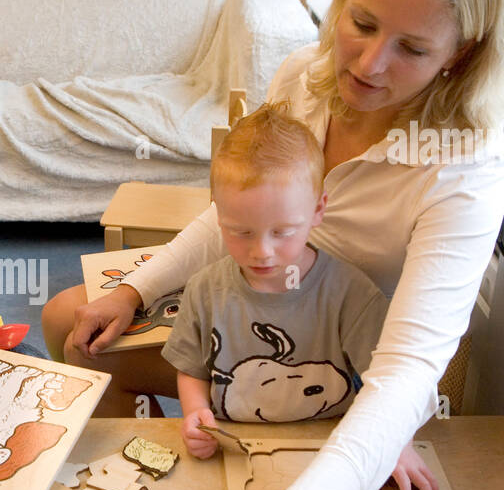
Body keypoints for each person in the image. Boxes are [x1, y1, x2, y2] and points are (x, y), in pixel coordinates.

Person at [42, 0, 504, 490]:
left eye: (414, 49)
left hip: (346, 360)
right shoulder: (305, 76)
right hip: (251, 320)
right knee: (68, 321)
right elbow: (231, 219)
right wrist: (135, 289)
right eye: (360, 23)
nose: (367, 62)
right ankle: (157, 482)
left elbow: (411, 362)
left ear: (465, 53)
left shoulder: (467, 164)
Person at [164, 101, 399, 468]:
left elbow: (385, 380)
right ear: (218, 213)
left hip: (328, 453)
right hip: (232, 449)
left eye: (282, 232)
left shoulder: (350, 292)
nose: (262, 252)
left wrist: (389, 440)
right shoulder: (204, 290)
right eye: (241, 232)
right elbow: (192, 369)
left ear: (319, 209)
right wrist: (195, 412)